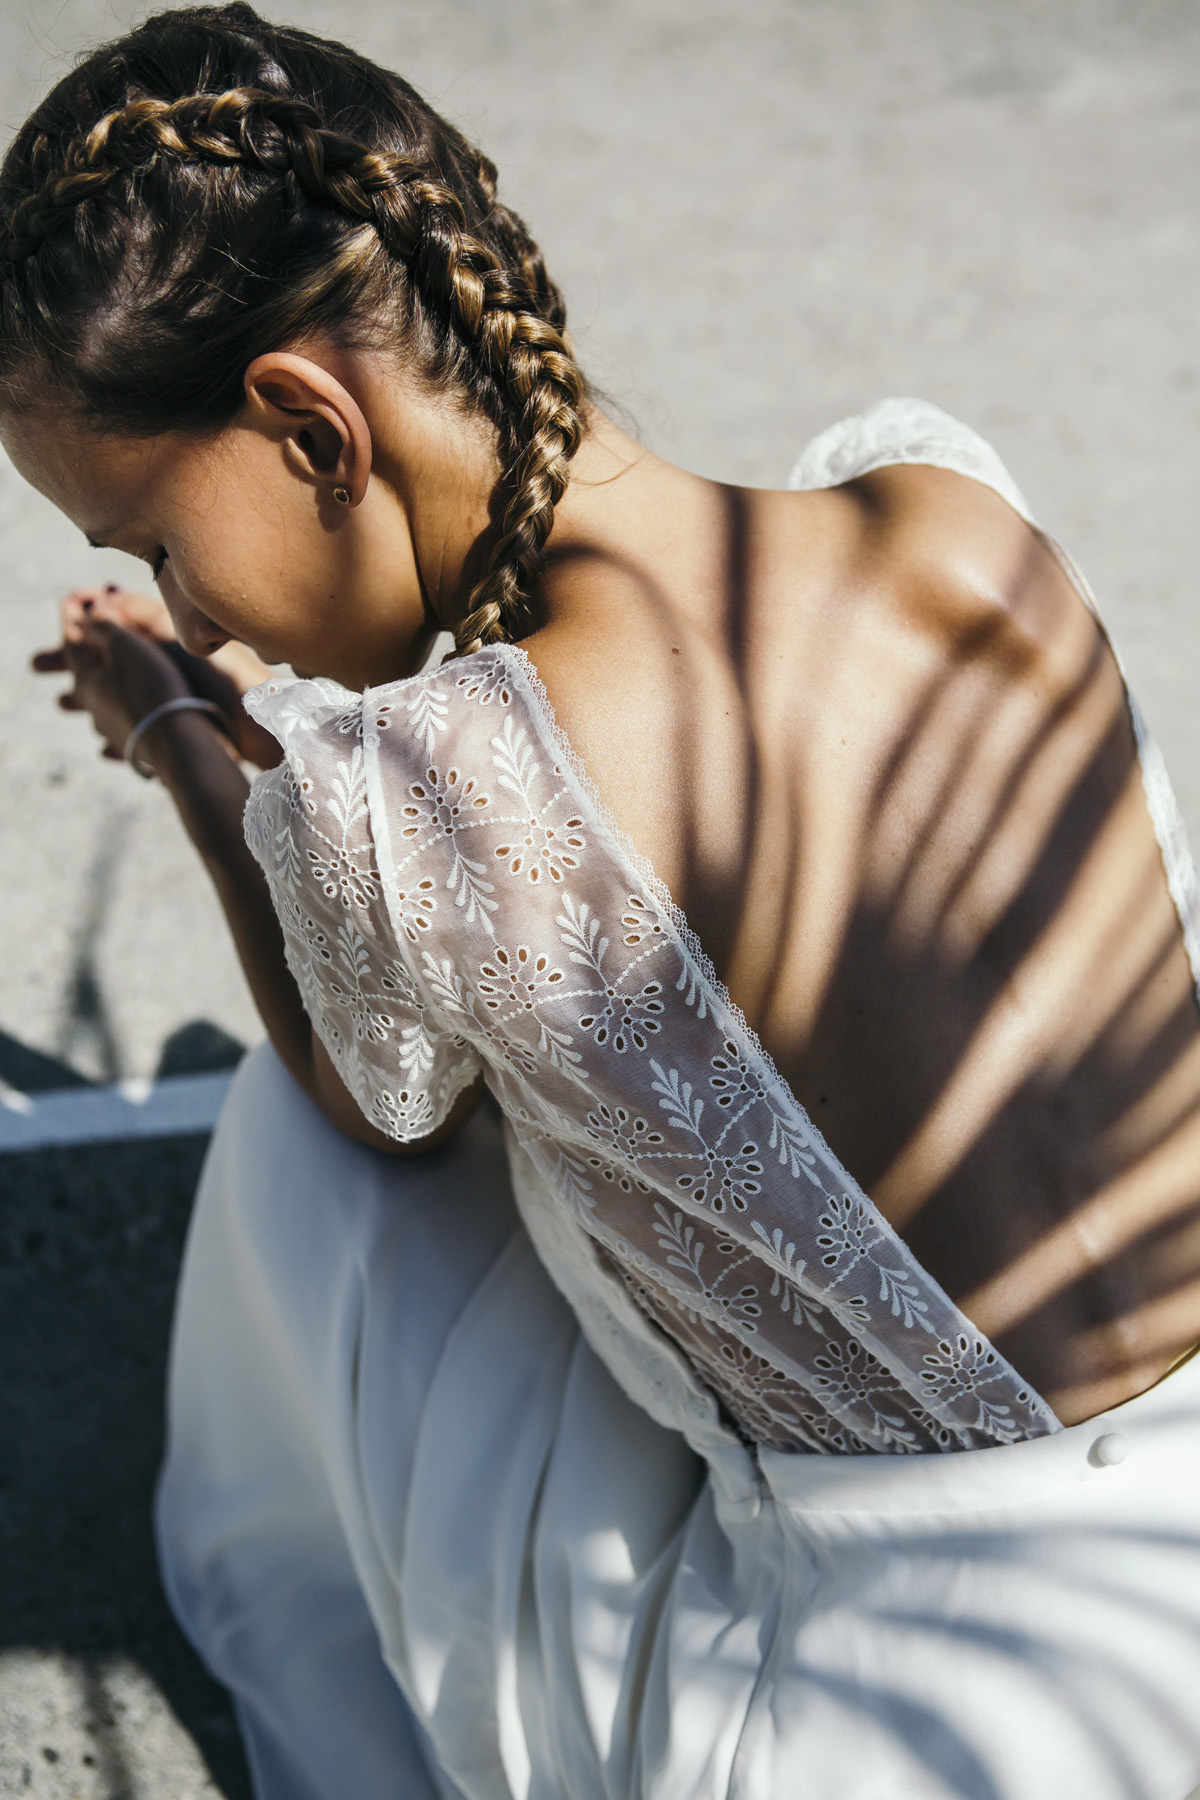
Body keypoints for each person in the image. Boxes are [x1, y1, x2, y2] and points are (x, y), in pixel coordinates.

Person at [6, 5, 1200, 1795]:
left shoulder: (429, 799)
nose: (195, 613)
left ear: (310, 425)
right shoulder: (953, 514)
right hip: (1157, 1595)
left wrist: (190, 734)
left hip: (921, 1719)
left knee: (307, 1141)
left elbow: (371, 1111)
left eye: (156, 546)